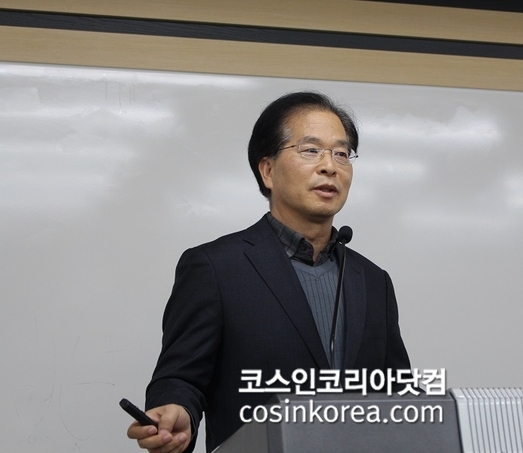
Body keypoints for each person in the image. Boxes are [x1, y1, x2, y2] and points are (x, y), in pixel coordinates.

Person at [127, 91, 411, 453]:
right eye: (311, 150)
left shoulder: (372, 281)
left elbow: (397, 391)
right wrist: (177, 410)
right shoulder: (215, 268)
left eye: (341, 154)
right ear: (268, 170)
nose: (330, 166)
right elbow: (181, 378)